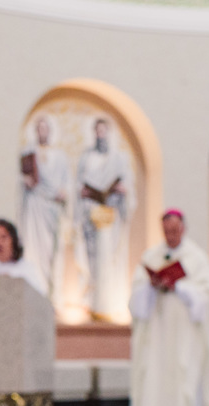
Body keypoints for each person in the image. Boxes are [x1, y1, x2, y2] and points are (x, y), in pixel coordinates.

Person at [127, 209, 209, 406]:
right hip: (157, 338)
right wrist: (151, 285)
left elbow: (206, 297)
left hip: (185, 338)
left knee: (185, 384)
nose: (171, 235)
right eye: (167, 231)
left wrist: (179, 286)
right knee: (156, 387)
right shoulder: (152, 256)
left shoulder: (197, 258)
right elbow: (135, 303)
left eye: (175, 230)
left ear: (183, 229)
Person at [75, 118, 136, 320]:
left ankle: (110, 303)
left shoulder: (119, 158)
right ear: (94, 133)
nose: (101, 135)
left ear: (109, 134)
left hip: (112, 214)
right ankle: (91, 302)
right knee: (92, 259)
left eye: (104, 131)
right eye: (98, 132)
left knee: (111, 258)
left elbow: (128, 186)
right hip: (91, 214)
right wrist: (82, 192)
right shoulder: (87, 158)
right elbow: (77, 185)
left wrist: (122, 190)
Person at [18, 115, 70, 305]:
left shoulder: (60, 156)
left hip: (53, 208)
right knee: (34, 249)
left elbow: (67, 183)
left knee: (52, 253)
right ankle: (36, 292)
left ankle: (52, 295)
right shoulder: (28, 153)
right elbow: (22, 179)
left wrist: (64, 193)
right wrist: (25, 182)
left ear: (50, 130)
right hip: (35, 206)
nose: (42, 131)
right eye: (39, 128)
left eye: (45, 128)